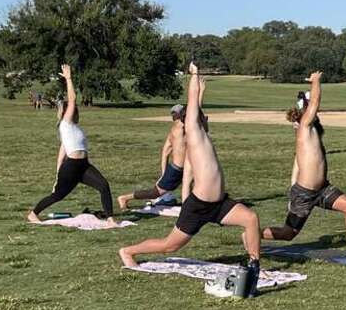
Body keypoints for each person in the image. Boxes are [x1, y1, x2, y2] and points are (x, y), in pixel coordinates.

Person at [119, 63, 262, 294]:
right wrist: (194, 74)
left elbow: (198, 107)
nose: (205, 118)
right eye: (200, 115)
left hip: (219, 203)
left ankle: (254, 265)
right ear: (192, 119)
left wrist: (201, 93)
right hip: (198, 206)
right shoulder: (193, 132)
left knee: (251, 218)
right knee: (170, 246)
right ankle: (128, 251)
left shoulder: (203, 133)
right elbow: (193, 101)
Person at [261, 72, 346, 262]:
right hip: (304, 193)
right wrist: (316, 82)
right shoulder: (304, 125)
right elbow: (314, 103)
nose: (315, 112)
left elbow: (297, 163)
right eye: (310, 110)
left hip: (322, 189)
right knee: (289, 234)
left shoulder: (311, 133)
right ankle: (254, 233)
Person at [28, 65, 114, 223]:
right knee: (58, 195)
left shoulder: (74, 128)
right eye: (72, 109)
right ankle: (33, 213)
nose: (75, 109)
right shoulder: (65, 124)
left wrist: (56, 175)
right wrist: (68, 78)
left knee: (103, 185)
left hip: (83, 165)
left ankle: (110, 219)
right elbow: (73, 98)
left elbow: (62, 153)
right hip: (72, 166)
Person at [117, 104, 190, 210]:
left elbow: (165, 153)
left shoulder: (173, 132)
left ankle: (192, 208)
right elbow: (165, 153)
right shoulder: (180, 127)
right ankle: (124, 198)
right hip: (177, 170)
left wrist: (164, 172)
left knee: (197, 185)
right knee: (155, 193)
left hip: (186, 167)